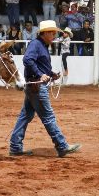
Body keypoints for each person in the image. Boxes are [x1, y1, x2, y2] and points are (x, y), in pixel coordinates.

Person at [9, 20, 81, 158]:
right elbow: (27, 60)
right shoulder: (37, 44)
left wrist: (50, 74)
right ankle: (62, 145)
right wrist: (40, 74)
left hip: (33, 86)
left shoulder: (40, 45)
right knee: (48, 117)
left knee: (26, 116)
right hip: (36, 86)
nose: (54, 35)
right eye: (52, 32)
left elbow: (33, 62)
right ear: (44, 33)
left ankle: (15, 146)